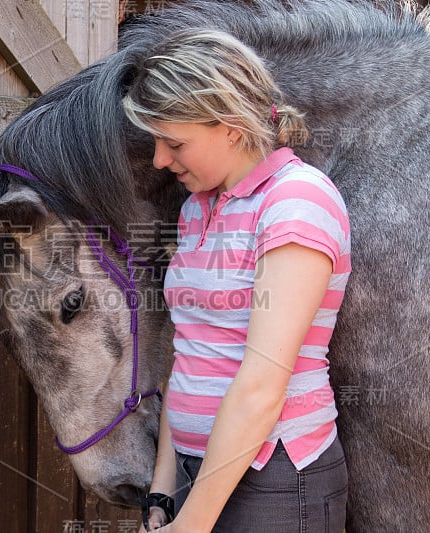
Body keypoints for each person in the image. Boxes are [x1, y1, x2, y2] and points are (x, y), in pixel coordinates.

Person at [122, 29, 351, 532]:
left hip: (273, 480)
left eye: (174, 141)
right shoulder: (196, 209)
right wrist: (163, 491)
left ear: (229, 125)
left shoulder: (296, 202)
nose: (160, 159)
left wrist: (193, 523)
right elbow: (190, 355)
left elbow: (263, 383)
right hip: (192, 472)